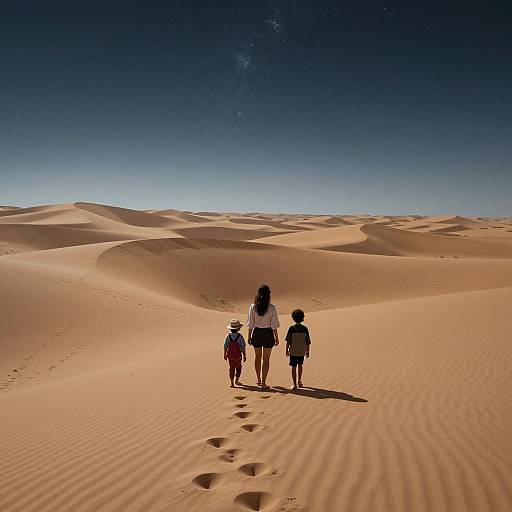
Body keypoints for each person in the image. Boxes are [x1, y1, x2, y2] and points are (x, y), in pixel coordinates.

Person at [247, 284, 280, 389]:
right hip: (268, 334)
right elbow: (274, 325)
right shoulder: (272, 308)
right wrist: (276, 337)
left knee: (257, 357)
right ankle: (264, 382)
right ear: (269, 294)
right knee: (266, 360)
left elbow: (250, 324)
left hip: (256, 333)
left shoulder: (253, 307)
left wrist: (249, 336)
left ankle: (259, 379)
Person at [285, 309, 311, 390]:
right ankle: (299, 381)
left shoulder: (291, 328)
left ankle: (294, 384)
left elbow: (288, 341)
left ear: (293, 318)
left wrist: (286, 350)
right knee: (300, 365)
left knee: (293, 367)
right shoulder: (305, 328)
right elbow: (308, 342)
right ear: (302, 318)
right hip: (301, 351)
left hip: (293, 351)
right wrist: (308, 351)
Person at [224, 319, 247, 387]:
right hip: (238, 356)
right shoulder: (240, 336)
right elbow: (243, 347)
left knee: (231, 368)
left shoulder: (228, 336)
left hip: (230, 356)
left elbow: (225, 346)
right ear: (239, 328)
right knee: (238, 368)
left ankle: (231, 383)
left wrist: (224, 355)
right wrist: (244, 355)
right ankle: (236, 380)